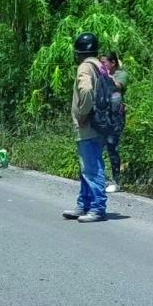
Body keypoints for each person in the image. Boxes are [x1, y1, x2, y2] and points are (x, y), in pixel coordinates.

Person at [62, 33, 107, 223]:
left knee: (91, 168)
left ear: (78, 52)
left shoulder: (84, 67)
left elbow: (86, 90)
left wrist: (82, 113)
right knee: (87, 167)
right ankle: (83, 204)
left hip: (88, 126)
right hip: (101, 125)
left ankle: (97, 207)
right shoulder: (100, 67)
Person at [99, 52, 129, 193]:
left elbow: (118, 86)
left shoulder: (121, 74)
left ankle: (116, 181)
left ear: (113, 63)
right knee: (100, 146)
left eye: (104, 62)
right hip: (104, 114)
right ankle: (101, 178)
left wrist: (107, 76)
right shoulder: (101, 76)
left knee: (112, 146)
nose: (102, 65)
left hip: (116, 116)